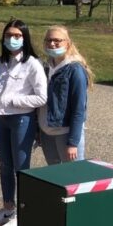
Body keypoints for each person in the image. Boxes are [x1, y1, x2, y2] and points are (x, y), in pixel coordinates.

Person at [0, 20, 47, 226]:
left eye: (17, 36)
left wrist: (15, 101)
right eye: (8, 35)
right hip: (2, 119)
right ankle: (7, 207)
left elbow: (41, 97)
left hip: (22, 119)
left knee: (21, 168)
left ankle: (23, 214)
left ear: (24, 38)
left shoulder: (32, 64)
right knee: (4, 164)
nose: (12, 40)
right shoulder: (1, 61)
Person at [38, 25, 93, 165]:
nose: (52, 44)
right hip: (47, 132)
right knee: (56, 178)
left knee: (73, 178)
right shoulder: (44, 68)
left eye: (57, 40)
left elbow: (79, 109)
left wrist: (73, 143)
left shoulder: (75, 70)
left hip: (65, 133)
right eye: (48, 40)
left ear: (67, 43)